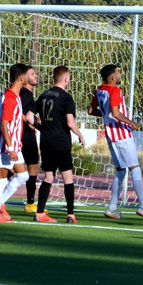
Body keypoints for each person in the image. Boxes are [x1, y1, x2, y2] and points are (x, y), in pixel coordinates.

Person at [87, 63, 143, 221]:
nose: (120, 75)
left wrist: (106, 115)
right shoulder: (115, 91)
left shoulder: (100, 90)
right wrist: (131, 122)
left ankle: (112, 207)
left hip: (111, 136)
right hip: (121, 134)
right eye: (118, 73)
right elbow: (115, 113)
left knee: (121, 171)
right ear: (113, 77)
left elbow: (91, 111)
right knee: (135, 168)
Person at [32, 66, 86, 223]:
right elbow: (70, 122)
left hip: (45, 141)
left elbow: (28, 116)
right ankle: (70, 214)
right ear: (66, 79)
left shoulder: (43, 95)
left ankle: (39, 212)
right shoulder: (66, 98)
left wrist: (42, 128)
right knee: (67, 177)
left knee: (48, 176)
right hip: (61, 141)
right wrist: (80, 135)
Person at [0, 63, 34, 223]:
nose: (30, 77)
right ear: (21, 78)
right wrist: (11, 148)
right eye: (28, 74)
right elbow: (3, 125)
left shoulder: (15, 96)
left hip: (14, 145)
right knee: (1, 180)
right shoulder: (10, 98)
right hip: (4, 146)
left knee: (23, 176)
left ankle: (0, 203)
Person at [20, 66, 41, 213]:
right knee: (31, 167)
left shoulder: (25, 94)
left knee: (13, 169)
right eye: (32, 74)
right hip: (25, 136)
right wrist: (34, 124)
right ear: (24, 78)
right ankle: (30, 203)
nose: (36, 76)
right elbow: (22, 114)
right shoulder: (25, 94)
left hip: (23, 135)